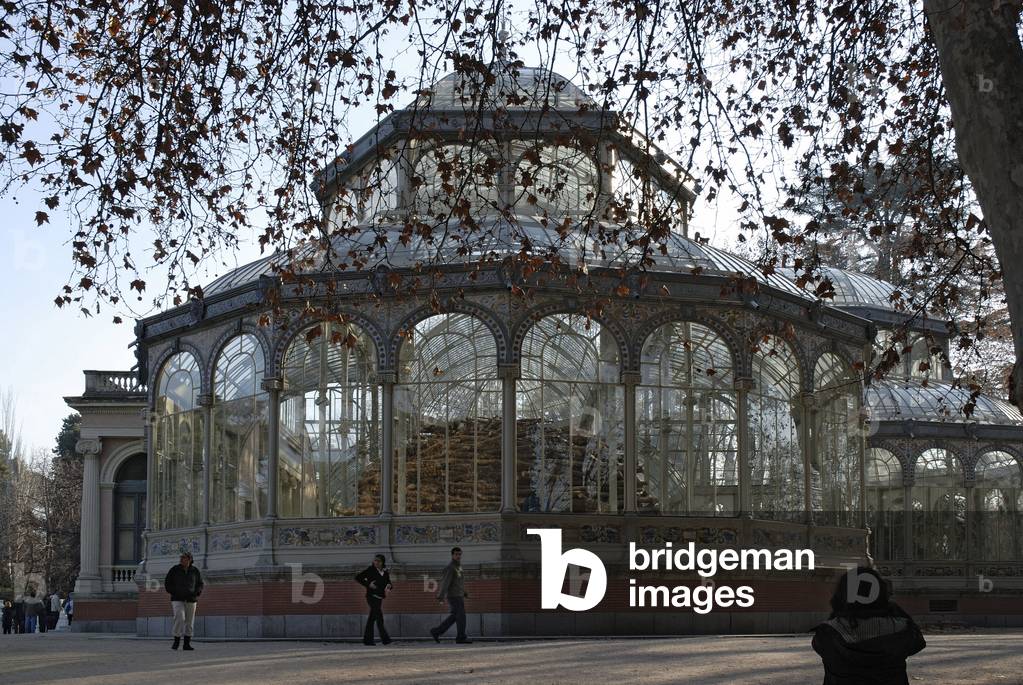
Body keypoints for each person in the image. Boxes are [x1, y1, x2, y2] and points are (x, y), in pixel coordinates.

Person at [812, 566, 926, 685]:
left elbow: (820, 646)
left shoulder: (828, 632)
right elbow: (918, 643)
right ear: (881, 594)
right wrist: (891, 606)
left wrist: (839, 610)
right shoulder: (902, 628)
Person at [429, 547, 471, 644]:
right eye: (456, 554)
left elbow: (458, 582)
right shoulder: (450, 567)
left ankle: (436, 631)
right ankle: (461, 637)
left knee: (454, 617)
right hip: (454, 596)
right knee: (461, 617)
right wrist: (441, 596)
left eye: (459, 554)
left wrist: (464, 592)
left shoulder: (458, 567)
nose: (458, 556)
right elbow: (445, 583)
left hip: (458, 595)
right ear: (452, 555)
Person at [164, 551, 204, 651]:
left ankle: (187, 644)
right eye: (181, 557)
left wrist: (197, 592)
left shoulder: (195, 571)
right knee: (179, 618)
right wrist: (175, 592)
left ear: (189, 559)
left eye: (184, 557)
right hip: (177, 599)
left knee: (190, 622)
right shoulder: (174, 569)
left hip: (191, 599)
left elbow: (200, 583)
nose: (181, 559)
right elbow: (167, 583)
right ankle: (176, 641)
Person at [354, 554, 393, 646]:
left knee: (372, 619)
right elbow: (358, 577)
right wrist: (368, 584)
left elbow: (389, 583)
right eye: (375, 560)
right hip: (371, 596)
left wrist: (389, 587)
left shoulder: (385, 572)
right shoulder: (370, 570)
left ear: (382, 562)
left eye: (378, 561)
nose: (376, 562)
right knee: (379, 617)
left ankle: (368, 640)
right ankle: (385, 639)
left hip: (379, 598)